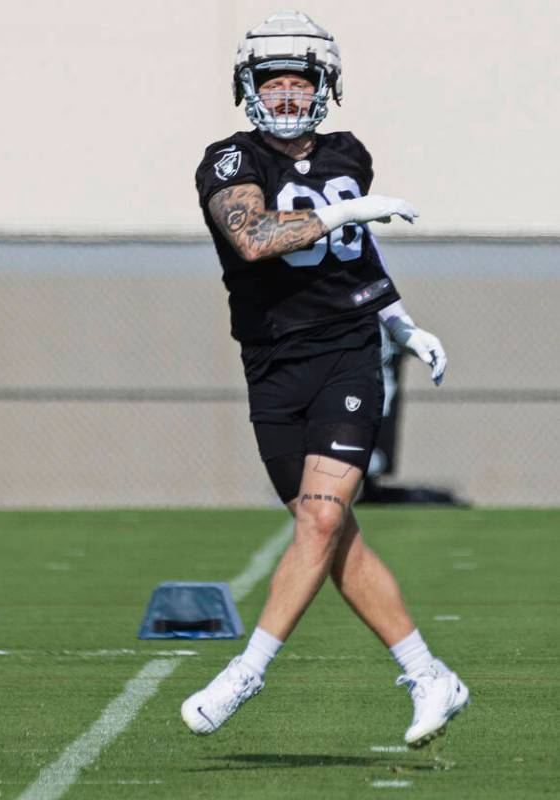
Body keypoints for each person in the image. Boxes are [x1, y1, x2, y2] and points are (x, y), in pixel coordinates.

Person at [181, 11, 468, 749]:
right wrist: (352, 208)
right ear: (247, 87)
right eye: (271, 81)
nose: (284, 95)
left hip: (346, 351)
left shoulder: (347, 153)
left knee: (318, 519)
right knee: (331, 536)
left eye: (297, 81)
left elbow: (354, 256)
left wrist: (400, 322)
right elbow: (251, 237)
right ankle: (428, 672)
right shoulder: (227, 160)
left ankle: (245, 671)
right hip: (273, 362)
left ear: (323, 86)